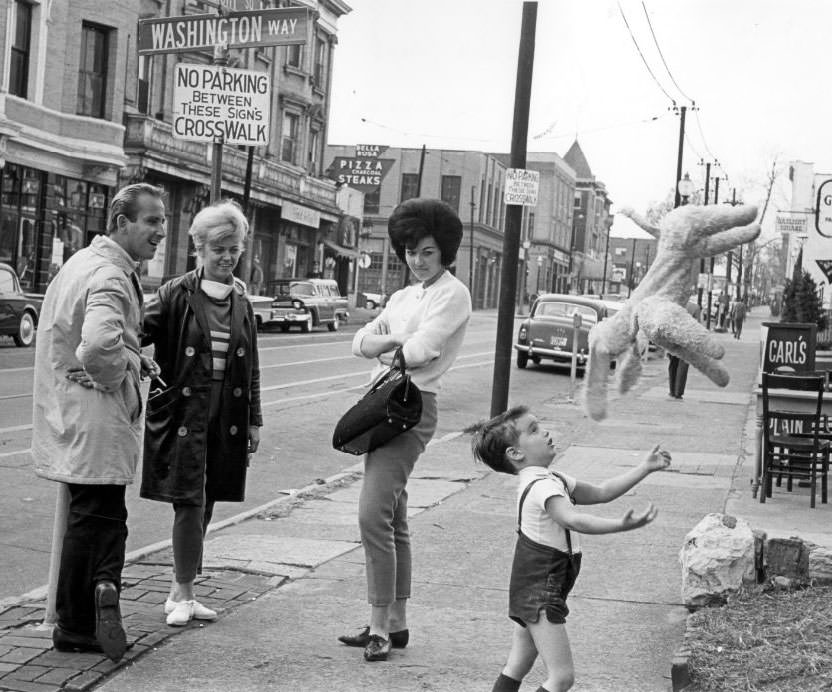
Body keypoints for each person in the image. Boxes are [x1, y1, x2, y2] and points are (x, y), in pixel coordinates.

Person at [32, 183, 167, 660]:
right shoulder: (110, 275)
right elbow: (98, 347)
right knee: (103, 519)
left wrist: (133, 355)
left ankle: (76, 614)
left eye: (162, 221)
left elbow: (93, 340)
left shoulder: (81, 263)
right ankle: (87, 612)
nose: (160, 232)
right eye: (151, 221)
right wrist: (123, 372)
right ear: (120, 221)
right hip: (97, 418)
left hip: (73, 413)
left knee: (86, 516)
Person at [338, 198, 472, 662]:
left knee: (371, 514)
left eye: (428, 252)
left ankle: (378, 626)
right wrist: (394, 342)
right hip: (385, 405)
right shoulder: (402, 297)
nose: (417, 260)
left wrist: (391, 346)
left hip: (412, 408)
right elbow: (359, 342)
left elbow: (423, 353)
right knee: (392, 517)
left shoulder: (452, 294)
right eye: (411, 251)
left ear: (445, 251)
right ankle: (396, 622)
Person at [471, 406, 671, 692]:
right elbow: (573, 519)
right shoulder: (541, 486)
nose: (546, 432)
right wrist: (619, 525)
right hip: (540, 592)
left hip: (538, 588)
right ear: (515, 453)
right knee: (561, 678)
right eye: (534, 430)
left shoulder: (553, 479)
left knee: (517, 665)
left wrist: (644, 468)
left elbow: (602, 492)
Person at [140, 200, 263, 627]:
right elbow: (134, 329)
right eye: (219, 249)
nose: (227, 257)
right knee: (190, 502)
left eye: (234, 248)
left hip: (225, 414)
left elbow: (251, 366)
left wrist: (255, 418)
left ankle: (180, 590)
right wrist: (132, 357)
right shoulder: (176, 292)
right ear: (199, 248)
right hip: (185, 415)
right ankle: (186, 592)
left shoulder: (241, 298)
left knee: (206, 501)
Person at [668, 298, 702, 400]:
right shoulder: (695, 307)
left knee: (673, 364)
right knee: (682, 366)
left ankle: (672, 390)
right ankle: (678, 392)